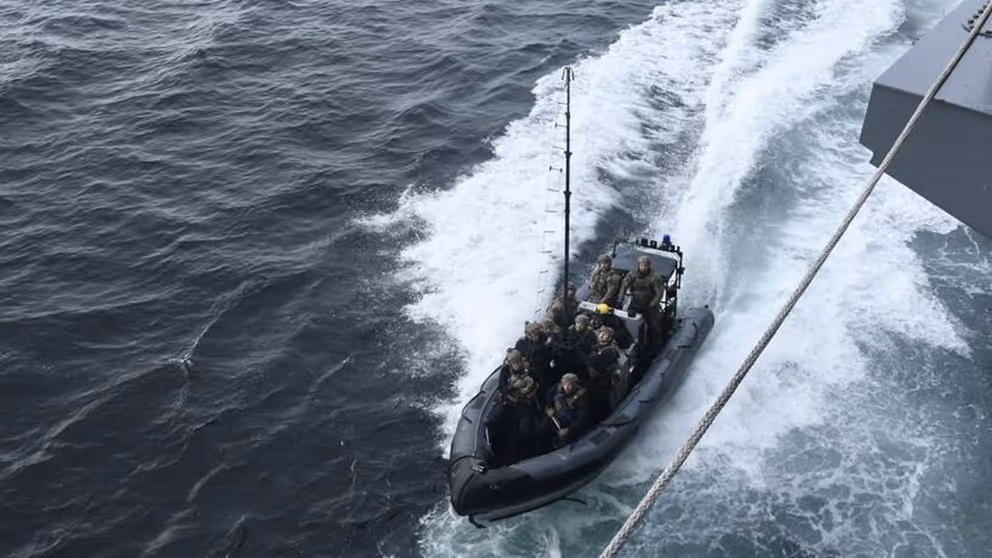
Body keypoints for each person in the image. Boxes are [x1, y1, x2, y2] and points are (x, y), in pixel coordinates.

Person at [619, 255, 666, 342]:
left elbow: (659, 294)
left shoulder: (655, 277)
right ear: (638, 265)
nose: (644, 267)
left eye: (646, 265)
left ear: (649, 266)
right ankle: (631, 340)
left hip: (649, 304)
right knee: (628, 319)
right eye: (642, 265)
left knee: (653, 325)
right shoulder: (632, 274)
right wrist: (620, 299)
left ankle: (655, 342)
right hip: (636, 302)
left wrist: (652, 304)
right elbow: (624, 286)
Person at [545, 373, 593, 447]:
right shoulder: (554, 390)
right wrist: (549, 407)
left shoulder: (581, 398)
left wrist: (569, 430)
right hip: (557, 422)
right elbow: (548, 399)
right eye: (567, 385)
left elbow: (583, 418)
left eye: (572, 385)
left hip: (573, 427)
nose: (569, 387)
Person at [587, 327, 621, 419]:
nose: (601, 335)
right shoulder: (598, 347)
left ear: (610, 338)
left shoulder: (610, 350)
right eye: (601, 333)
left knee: (605, 401)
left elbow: (594, 361)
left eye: (605, 334)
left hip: (604, 380)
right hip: (596, 379)